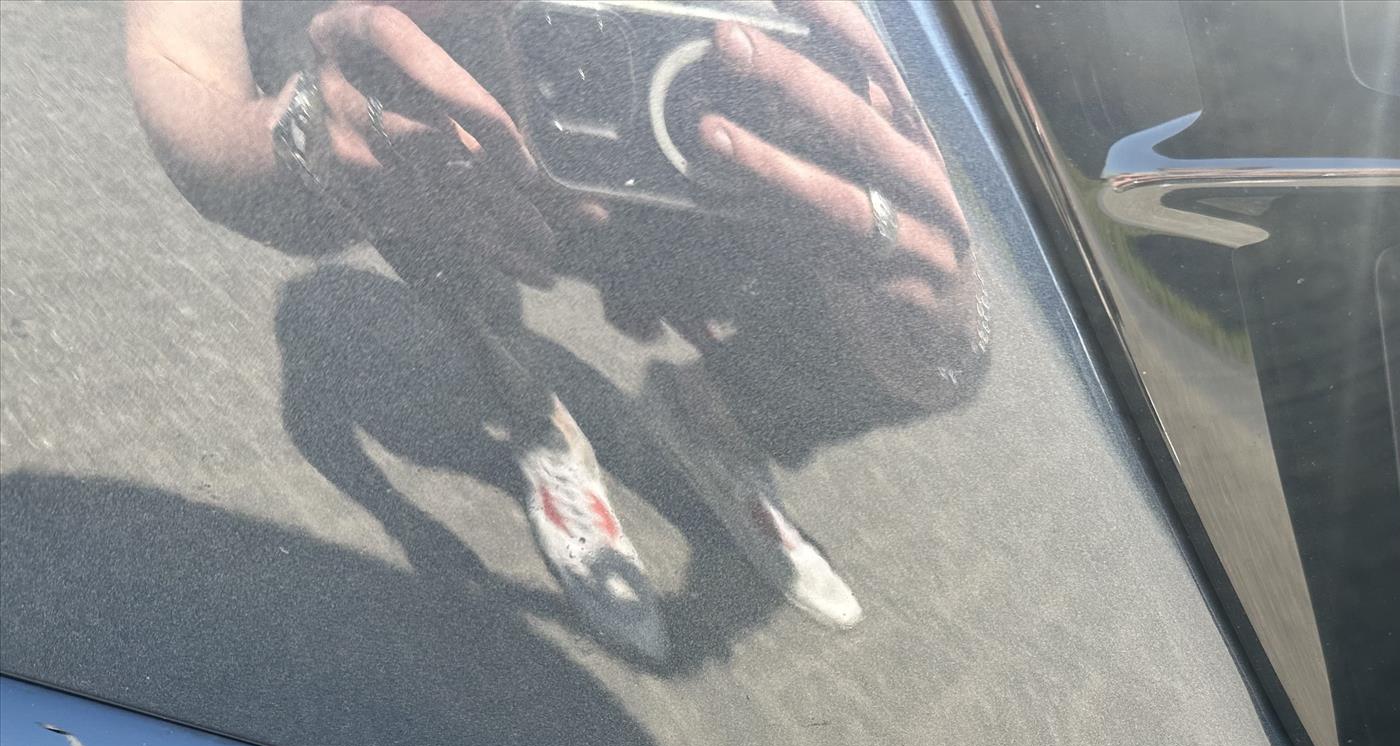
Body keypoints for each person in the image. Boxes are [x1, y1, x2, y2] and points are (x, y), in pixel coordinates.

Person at [124, 0, 988, 654]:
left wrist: (936, 336)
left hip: (672, 114)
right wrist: (303, 141)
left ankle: (714, 423)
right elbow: (177, 62)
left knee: (887, 300)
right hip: (433, 133)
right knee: (457, 270)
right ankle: (538, 430)